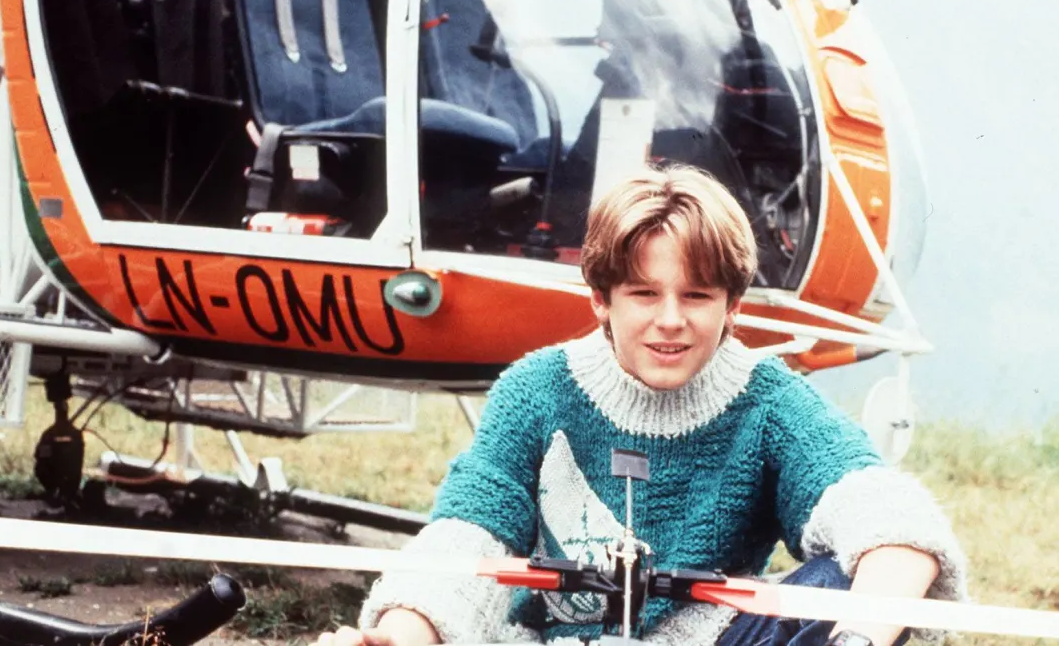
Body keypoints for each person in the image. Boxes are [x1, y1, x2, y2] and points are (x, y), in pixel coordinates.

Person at [314, 164, 968, 646]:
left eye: (699, 295)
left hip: (713, 639)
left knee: (848, 578)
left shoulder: (770, 400)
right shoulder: (533, 390)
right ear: (601, 298)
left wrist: (857, 636)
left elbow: (893, 517)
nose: (671, 322)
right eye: (643, 294)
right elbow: (470, 535)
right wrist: (401, 632)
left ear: (735, 304)